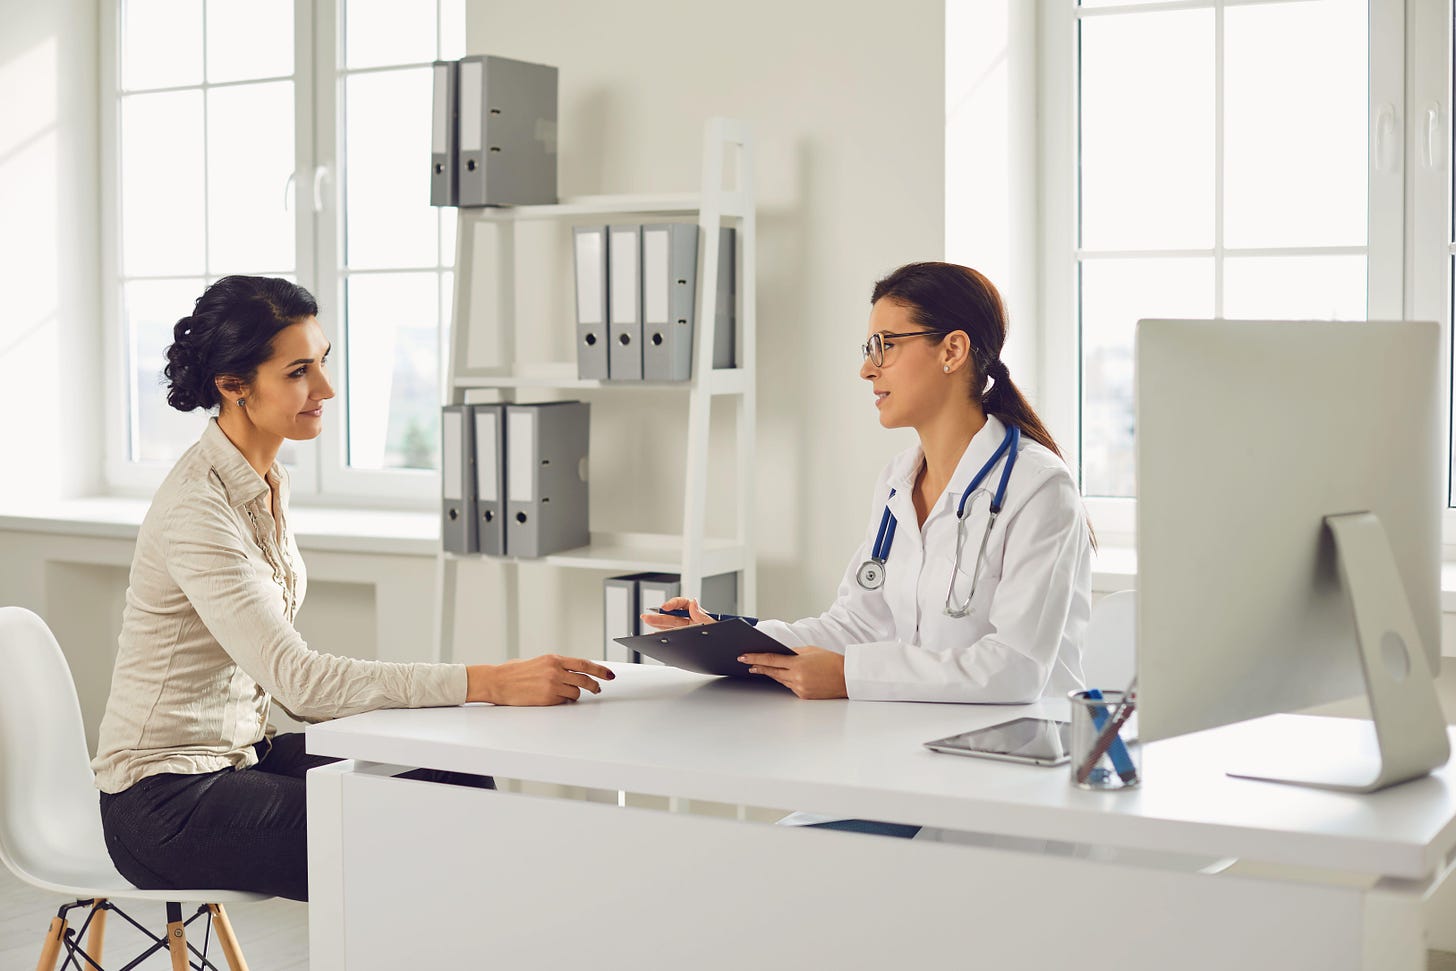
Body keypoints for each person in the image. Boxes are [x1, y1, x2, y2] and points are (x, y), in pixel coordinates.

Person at [92, 276, 614, 902]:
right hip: (165, 802)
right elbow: (301, 685)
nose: (325, 389)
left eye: (323, 362)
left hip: (242, 759)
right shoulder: (198, 510)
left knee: (457, 782)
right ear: (233, 387)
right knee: (401, 829)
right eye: (297, 372)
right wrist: (489, 682)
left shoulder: (261, 482)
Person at [646, 261, 1091, 704]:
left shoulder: (1039, 488)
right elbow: (854, 626)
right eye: (868, 347)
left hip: (1018, 751)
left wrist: (849, 676)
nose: (867, 369)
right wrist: (727, 635)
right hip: (916, 739)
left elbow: (1016, 669)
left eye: (885, 346)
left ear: (952, 351)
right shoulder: (898, 481)